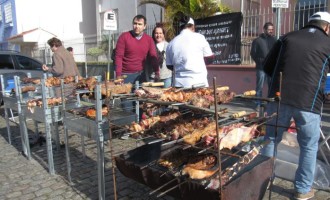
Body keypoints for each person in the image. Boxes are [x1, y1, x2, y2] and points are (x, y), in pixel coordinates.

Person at [261, 12, 330, 200]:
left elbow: (267, 66)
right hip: (309, 102)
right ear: (326, 27)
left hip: (279, 97)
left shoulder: (286, 38)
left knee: (271, 139)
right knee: (308, 146)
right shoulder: (327, 44)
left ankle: (261, 182)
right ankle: (302, 189)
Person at [166, 16, 214, 88]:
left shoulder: (171, 43)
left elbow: (169, 65)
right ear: (193, 27)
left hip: (179, 85)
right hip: (199, 83)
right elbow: (209, 58)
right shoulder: (200, 38)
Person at [115, 14, 160, 84]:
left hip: (141, 75)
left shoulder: (149, 39)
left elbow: (153, 56)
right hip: (125, 76)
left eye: (140, 24)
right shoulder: (124, 37)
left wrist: (157, 72)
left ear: (144, 26)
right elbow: (118, 57)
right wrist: (118, 75)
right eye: (135, 23)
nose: (137, 26)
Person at [250, 22, 276, 110]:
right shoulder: (257, 41)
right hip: (261, 67)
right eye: (269, 29)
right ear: (264, 29)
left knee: (271, 86)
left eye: (272, 29)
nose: (271, 31)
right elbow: (253, 53)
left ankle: (270, 103)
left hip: (271, 68)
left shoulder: (274, 40)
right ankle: (258, 103)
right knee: (259, 87)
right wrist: (259, 61)